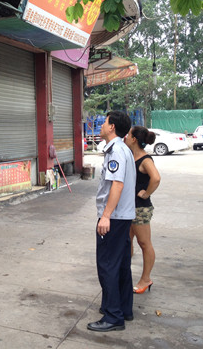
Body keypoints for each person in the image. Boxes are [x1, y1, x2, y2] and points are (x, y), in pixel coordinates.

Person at [88, 111, 136, 333]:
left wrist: (106, 215)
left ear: (112, 127)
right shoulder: (122, 149)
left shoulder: (116, 150)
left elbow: (117, 185)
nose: (101, 125)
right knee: (121, 264)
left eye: (105, 122)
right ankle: (122, 308)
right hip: (123, 217)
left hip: (114, 218)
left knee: (107, 265)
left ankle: (113, 316)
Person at [125, 126, 161, 294]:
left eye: (128, 134)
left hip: (140, 208)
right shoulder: (130, 155)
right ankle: (124, 275)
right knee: (127, 242)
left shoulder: (145, 160)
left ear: (134, 139)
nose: (125, 136)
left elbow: (156, 178)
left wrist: (146, 193)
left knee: (144, 243)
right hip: (127, 207)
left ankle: (146, 279)